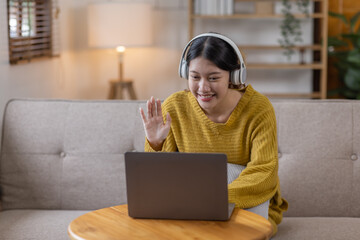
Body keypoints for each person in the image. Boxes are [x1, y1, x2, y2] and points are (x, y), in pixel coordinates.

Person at [139, 32, 288, 236]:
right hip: (194, 204)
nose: (203, 88)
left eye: (213, 78)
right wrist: (155, 144)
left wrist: (214, 199)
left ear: (234, 76)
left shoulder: (259, 109)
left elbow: (265, 171)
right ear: (185, 73)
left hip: (246, 202)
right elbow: (161, 181)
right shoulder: (174, 107)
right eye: (195, 77)